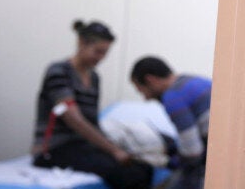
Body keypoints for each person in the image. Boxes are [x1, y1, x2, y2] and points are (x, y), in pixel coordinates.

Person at [32, 20, 152, 189]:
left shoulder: (94, 78)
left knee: (144, 169)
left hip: (82, 147)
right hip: (54, 150)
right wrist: (114, 151)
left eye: (105, 53)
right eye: (97, 52)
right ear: (81, 43)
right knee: (126, 175)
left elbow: (93, 122)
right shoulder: (59, 71)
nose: (101, 58)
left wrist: (117, 148)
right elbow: (74, 119)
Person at [130, 56, 211, 189]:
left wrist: (168, 162)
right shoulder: (193, 80)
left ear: (150, 80)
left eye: (141, 90)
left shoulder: (173, 97)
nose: (145, 98)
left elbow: (193, 152)